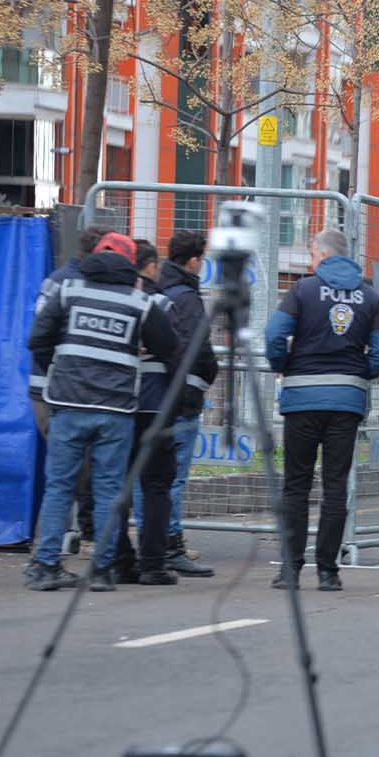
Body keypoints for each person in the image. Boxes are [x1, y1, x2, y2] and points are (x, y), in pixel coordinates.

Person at [24, 232, 179, 591]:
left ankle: (46, 566)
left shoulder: (68, 292)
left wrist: (61, 371)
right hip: (116, 409)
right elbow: (168, 346)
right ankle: (103, 570)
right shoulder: (141, 302)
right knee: (109, 489)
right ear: (130, 263)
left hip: (69, 405)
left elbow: (37, 341)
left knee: (60, 487)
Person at [264, 230, 379, 592]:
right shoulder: (369, 297)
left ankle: (290, 569)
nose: (309, 262)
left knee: (296, 485)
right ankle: (328, 571)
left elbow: (274, 334)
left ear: (321, 254)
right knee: (336, 486)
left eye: (311, 255)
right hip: (345, 402)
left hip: (301, 398)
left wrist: (284, 364)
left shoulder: (302, 291)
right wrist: (359, 371)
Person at [29, 224, 110, 546]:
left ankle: (69, 535)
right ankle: (62, 539)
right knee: (71, 470)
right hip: (59, 390)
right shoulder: (71, 284)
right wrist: (65, 373)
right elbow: (41, 338)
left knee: (73, 468)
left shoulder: (60, 280)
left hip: (57, 388)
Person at [111, 239, 183, 586]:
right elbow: (175, 352)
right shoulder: (160, 302)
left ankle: (118, 560)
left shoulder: (111, 298)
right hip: (154, 404)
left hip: (118, 402)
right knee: (156, 485)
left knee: (116, 484)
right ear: (150, 266)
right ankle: (152, 563)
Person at [157, 230, 218, 577]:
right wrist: (208, 375)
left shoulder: (157, 288)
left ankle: (155, 542)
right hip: (184, 398)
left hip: (156, 395)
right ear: (194, 260)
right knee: (175, 477)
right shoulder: (188, 298)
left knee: (152, 478)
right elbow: (200, 347)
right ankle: (171, 545)